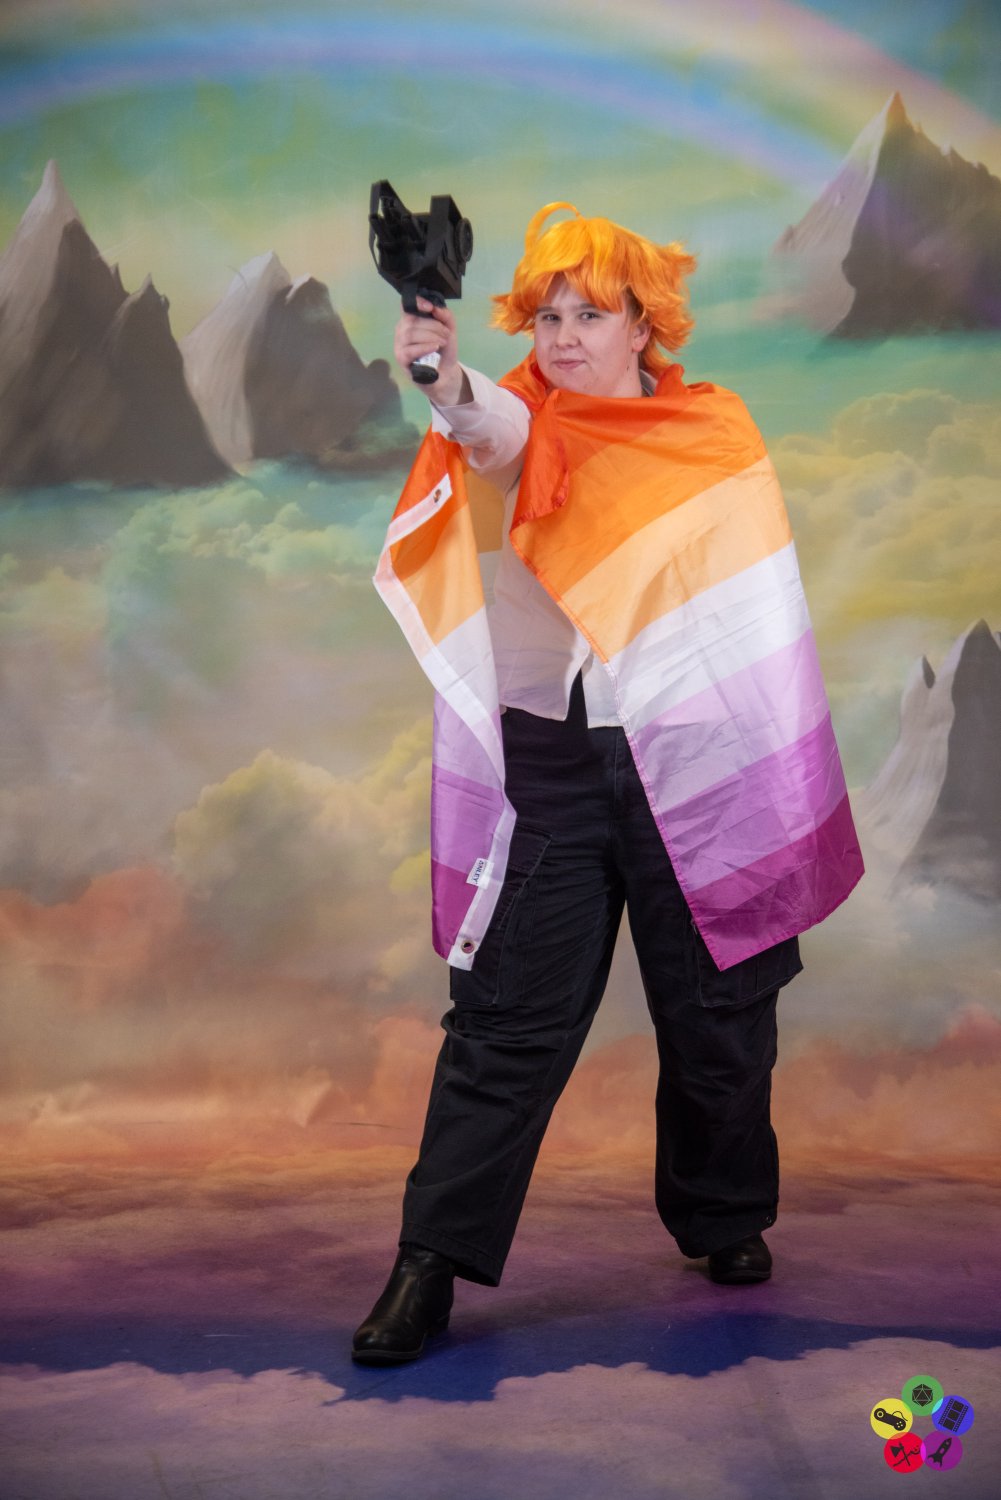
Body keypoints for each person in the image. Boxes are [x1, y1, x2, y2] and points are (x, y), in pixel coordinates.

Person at [352, 202, 863, 1365]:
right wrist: (433, 359)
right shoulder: (520, 423)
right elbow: (478, 423)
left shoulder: (711, 435)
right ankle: (427, 1265)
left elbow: (744, 613)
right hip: (553, 766)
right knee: (501, 1024)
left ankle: (723, 1219)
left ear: (644, 325)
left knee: (720, 1019)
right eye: (546, 317)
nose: (564, 336)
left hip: (702, 761)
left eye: (589, 314)